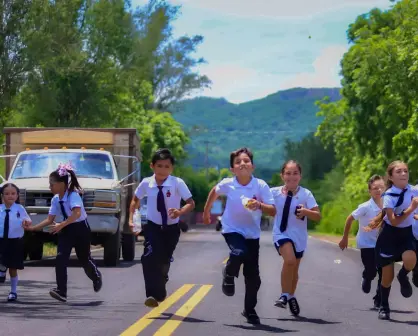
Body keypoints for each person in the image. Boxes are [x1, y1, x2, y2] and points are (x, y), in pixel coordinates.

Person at [203, 147, 276, 325]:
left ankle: (249, 310)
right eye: (238, 162)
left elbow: (273, 210)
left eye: (246, 161)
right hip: (232, 229)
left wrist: (258, 205)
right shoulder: (229, 183)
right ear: (232, 169)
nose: (242, 164)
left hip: (252, 234)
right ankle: (228, 273)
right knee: (238, 252)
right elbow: (215, 190)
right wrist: (206, 212)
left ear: (253, 166)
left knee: (254, 278)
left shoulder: (260, 185)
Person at [25, 163, 102, 302]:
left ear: (62, 184)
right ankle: (62, 291)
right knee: (60, 258)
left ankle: (96, 276)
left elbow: (77, 213)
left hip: (80, 228)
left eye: (52, 184)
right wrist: (33, 228)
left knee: (84, 259)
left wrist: (62, 224)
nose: (50, 187)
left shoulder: (73, 195)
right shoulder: (55, 199)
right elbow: (50, 219)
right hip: (66, 229)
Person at [129, 148, 195, 308]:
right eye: (159, 166)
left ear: (171, 168)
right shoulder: (146, 183)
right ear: (152, 166)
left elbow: (191, 203)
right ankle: (153, 294)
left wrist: (180, 211)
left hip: (171, 229)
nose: (163, 169)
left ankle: (162, 279)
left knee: (163, 260)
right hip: (152, 227)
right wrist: (131, 219)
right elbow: (135, 200)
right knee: (149, 257)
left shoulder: (177, 183)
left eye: (167, 166)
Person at [365, 160, 418, 320]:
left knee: (411, 259)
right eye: (399, 172)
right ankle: (384, 305)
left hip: (406, 234)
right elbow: (393, 221)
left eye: (405, 171)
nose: (403, 174)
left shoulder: (412, 191)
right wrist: (411, 209)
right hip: (389, 236)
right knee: (387, 278)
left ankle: (403, 275)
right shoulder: (388, 196)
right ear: (391, 177)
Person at [271, 160, 321, 316]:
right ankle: (284, 296)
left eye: (295, 173)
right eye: (288, 173)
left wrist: (306, 211)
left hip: (299, 237)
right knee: (290, 261)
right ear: (282, 175)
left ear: (300, 176)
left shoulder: (306, 194)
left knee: (294, 269)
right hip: (281, 233)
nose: (291, 177)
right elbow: (259, 200)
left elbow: (318, 216)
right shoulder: (274, 193)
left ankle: (291, 296)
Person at [339, 175, 385, 309]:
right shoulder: (365, 207)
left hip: (383, 244)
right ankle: (367, 275)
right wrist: (345, 238)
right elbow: (349, 219)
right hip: (367, 244)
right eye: (375, 188)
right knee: (372, 270)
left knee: (384, 271)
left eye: (381, 187)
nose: (378, 190)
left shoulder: (389, 206)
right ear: (370, 191)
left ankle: (379, 299)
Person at [0, 183, 31, 301]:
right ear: (2, 195)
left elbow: (27, 219)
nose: (10, 196)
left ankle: (13, 292)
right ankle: (2, 269)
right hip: (1, 240)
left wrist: (26, 222)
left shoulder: (19, 208)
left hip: (15, 241)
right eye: (7, 194)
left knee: (13, 268)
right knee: (1, 259)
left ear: (17, 195)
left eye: (13, 193)